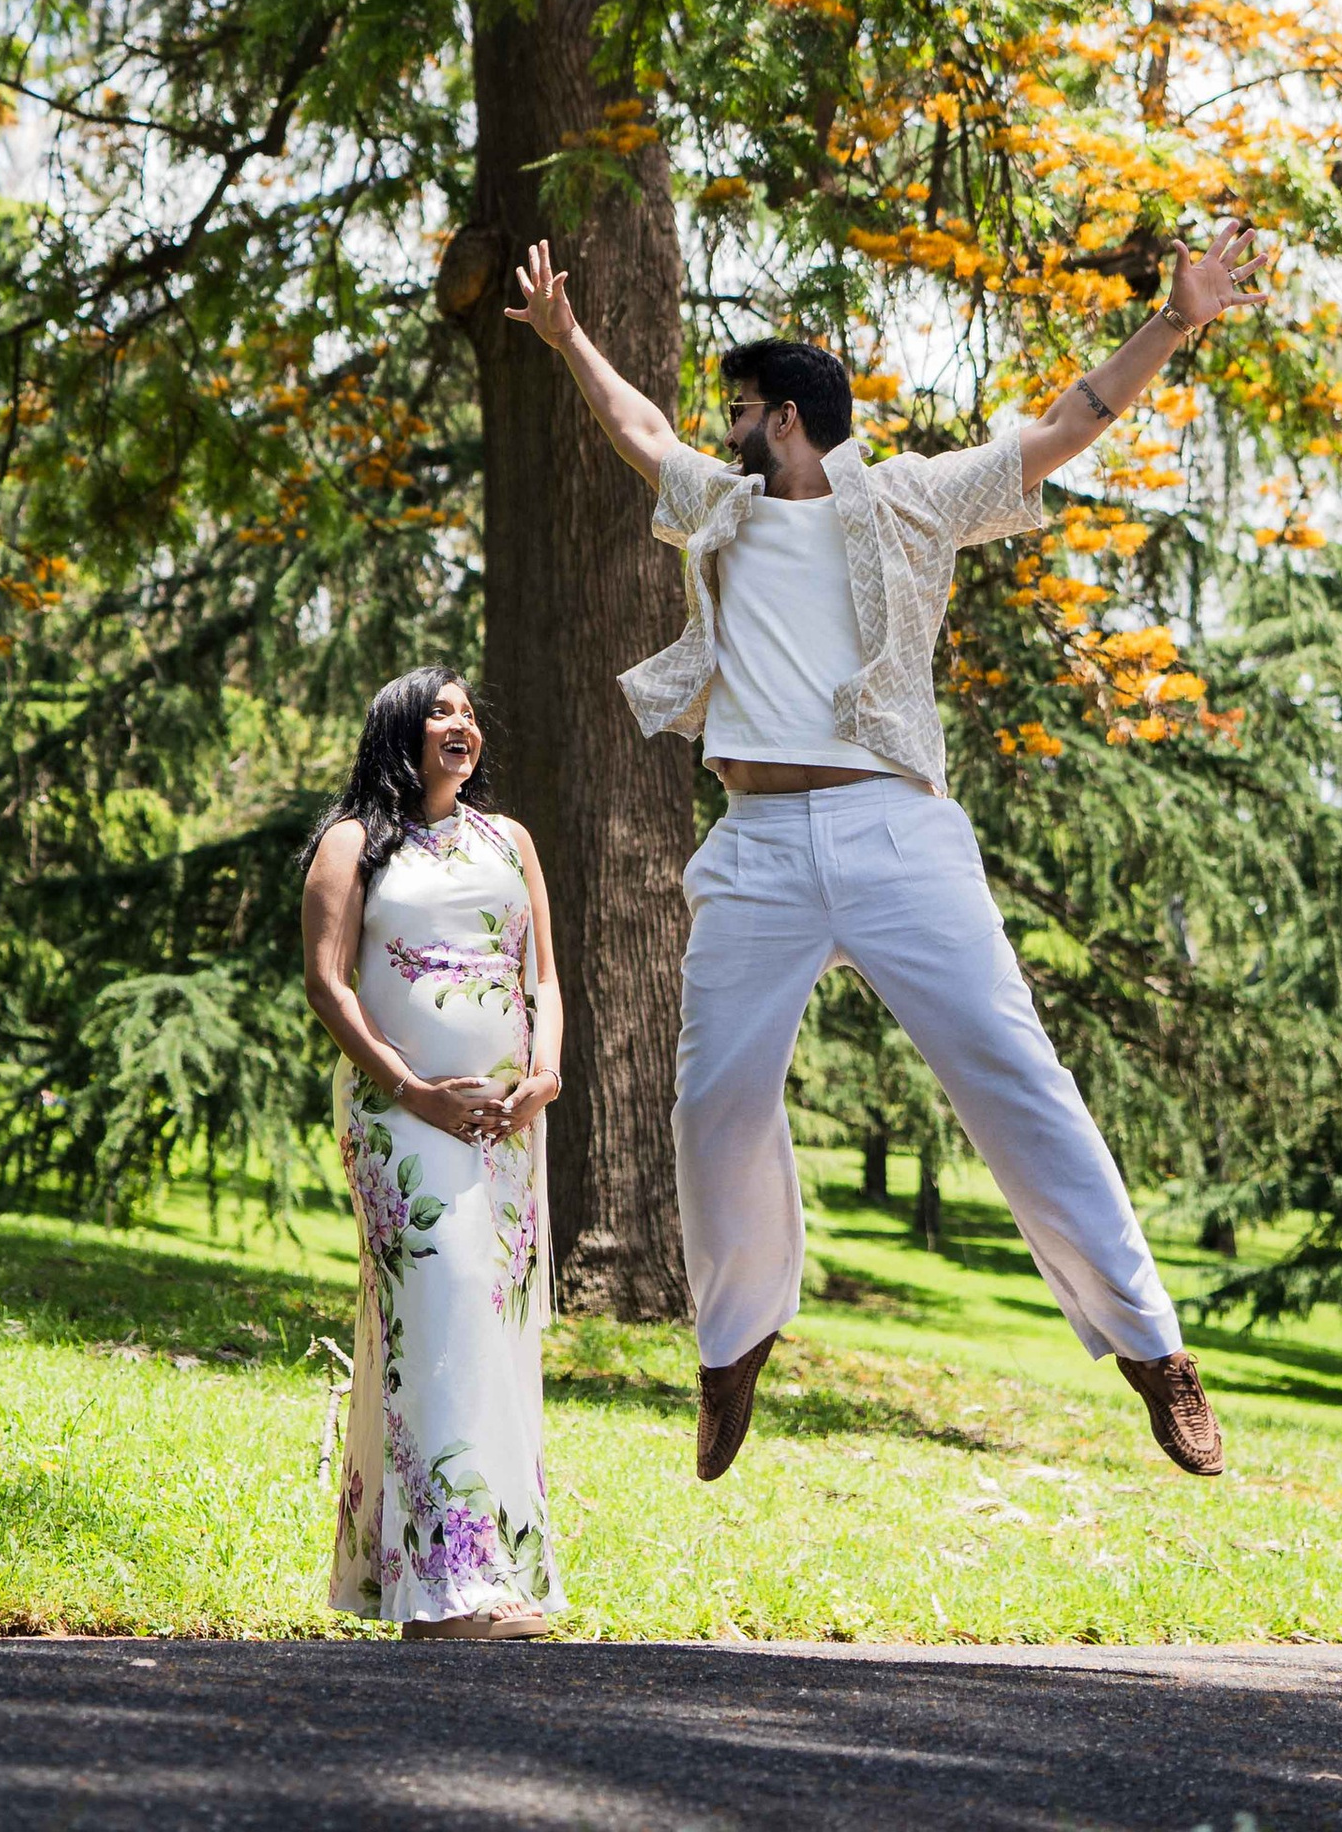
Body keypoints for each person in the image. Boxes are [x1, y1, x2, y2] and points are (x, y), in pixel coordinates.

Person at [505, 225, 1261, 1486]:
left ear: (786, 419)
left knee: (1011, 1077)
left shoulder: (911, 499)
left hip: (893, 831)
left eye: (737, 410)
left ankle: (1150, 1350)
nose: (721, 427)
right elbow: (639, 434)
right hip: (752, 846)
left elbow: (1069, 422)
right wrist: (565, 337)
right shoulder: (721, 512)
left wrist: (1174, 323)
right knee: (713, 1103)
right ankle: (735, 1341)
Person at [301, 667, 565, 1634]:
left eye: (467, 714)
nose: (460, 725)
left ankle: (494, 1574)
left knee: (495, 1337)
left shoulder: (511, 841)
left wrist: (546, 1074)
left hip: (508, 1132)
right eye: (438, 713)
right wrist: (412, 1089)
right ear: (397, 732)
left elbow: (543, 972)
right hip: (399, 1123)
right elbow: (329, 985)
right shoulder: (352, 843)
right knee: (435, 1321)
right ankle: (445, 1591)